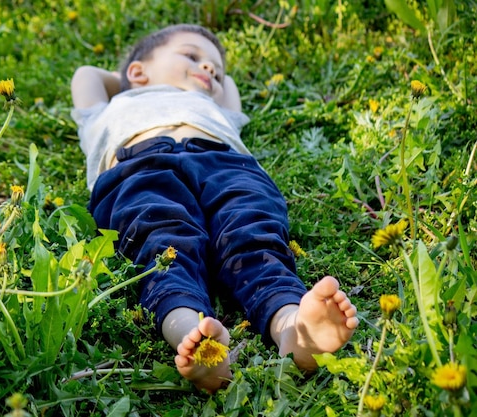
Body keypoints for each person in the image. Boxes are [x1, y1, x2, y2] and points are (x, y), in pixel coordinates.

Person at [70, 23, 359, 393]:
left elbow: (230, 89)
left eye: (216, 70)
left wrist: (200, 73)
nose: (209, 70)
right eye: (192, 56)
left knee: (252, 235)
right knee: (162, 243)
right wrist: (131, 78)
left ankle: (293, 325)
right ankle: (191, 334)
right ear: (138, 72)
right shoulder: (111, 107)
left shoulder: (214, 107)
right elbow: (86, 76)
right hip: (141, 166)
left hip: (227, 165)